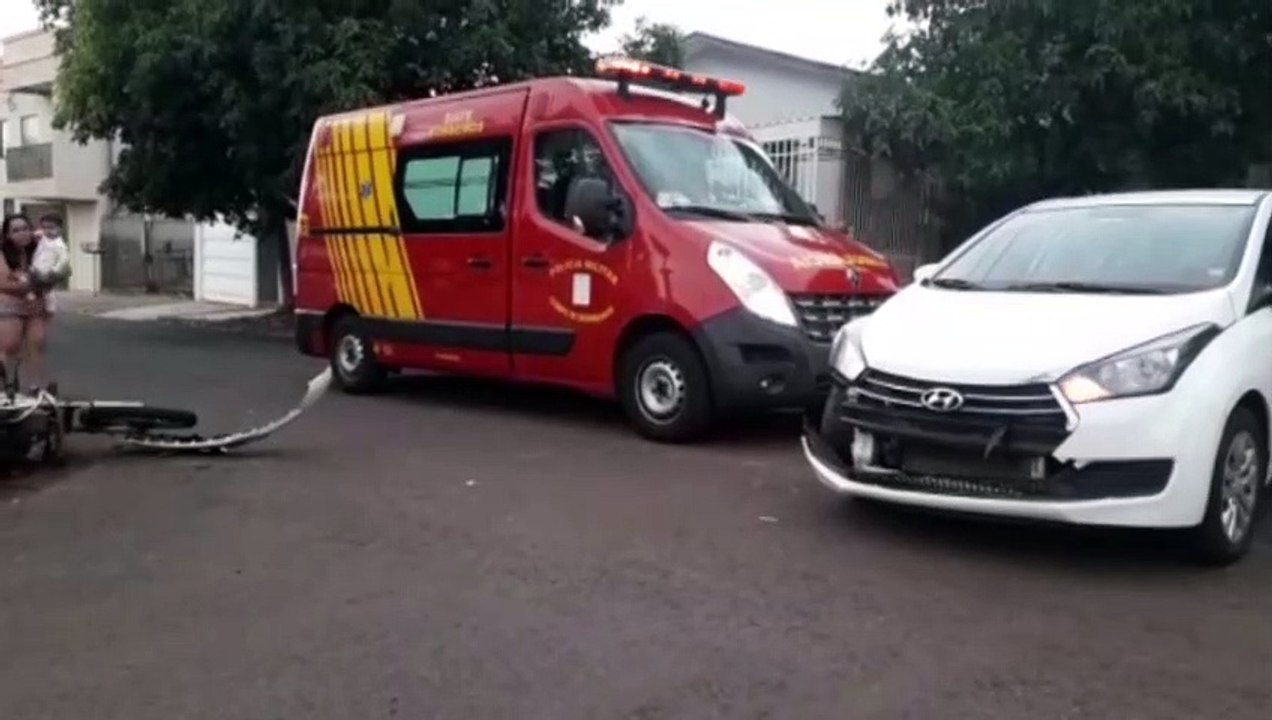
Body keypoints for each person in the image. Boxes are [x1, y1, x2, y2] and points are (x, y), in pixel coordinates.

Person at [0, 213, 55, 393]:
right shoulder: (3, 254)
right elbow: (3, 284)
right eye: (15, 230)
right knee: (10, 345)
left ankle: (36, 387)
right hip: (10, 305)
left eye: (25, 229)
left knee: (37, 343)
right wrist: (28, 284)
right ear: (7, 235)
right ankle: (8, 382)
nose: (22, 233)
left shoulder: (40, 251)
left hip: (35, 306)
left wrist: (44, 282)